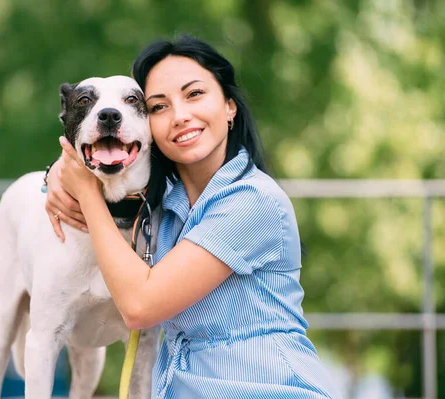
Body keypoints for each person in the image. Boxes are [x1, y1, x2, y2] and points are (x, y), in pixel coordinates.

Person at [46, 35, 340, 399]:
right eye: (158, 106)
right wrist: (57, 175)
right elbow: (94, 161)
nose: (180, 115)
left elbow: (140, 306)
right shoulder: (163, 203)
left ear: (230, 106)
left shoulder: (252, 202)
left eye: (195, 94)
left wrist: (87, 194)